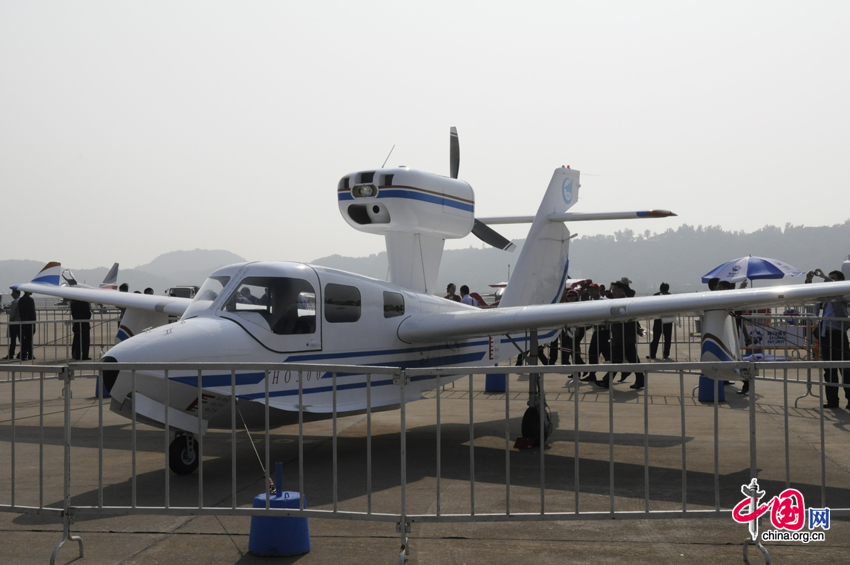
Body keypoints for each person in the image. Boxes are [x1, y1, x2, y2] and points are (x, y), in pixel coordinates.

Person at [806, 268, 850, 409]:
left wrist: (824, 277)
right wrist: (809, 281)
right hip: (826, 335)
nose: (830, 281)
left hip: (838, 334)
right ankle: (832, 400)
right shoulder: (826, 298)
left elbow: (835, 288)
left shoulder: (843, 294)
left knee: (845, 369)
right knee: (829, 370)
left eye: (833, 279)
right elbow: (810, 297)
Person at [596, 281, 645, 389]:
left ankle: (607, 381)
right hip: (621, 337)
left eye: (615, 290)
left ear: (622, 290)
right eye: (613, 290)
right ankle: (640, 380)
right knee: (629, 360)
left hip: (625, 336)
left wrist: (636, 328)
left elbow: (632, 317)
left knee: (622, 361)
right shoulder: (617, 301)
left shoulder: (626, 302)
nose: (613, 292)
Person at [648, 283, 673, 361]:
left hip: (658, 320)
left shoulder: (656, 296)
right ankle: (666, 354)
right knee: (667, 338)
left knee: (656, 338)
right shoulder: (671, 296)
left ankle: (652, 354)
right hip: (668, 319)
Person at [18, 291, 36, 361]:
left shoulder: (21, 300)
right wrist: (34, 322)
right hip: (29, 322)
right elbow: (32, 312)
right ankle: (25, 354)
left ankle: (27, 354)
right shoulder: (30, 300)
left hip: (23, 322)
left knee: (25, 339)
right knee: (29, 339)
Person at [3, 290, 21, 360]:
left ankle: (11, 354)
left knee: (13, 340)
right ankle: (22, 353)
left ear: (17, 293)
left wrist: (10, 321)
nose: (11, 294)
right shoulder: (20, 301)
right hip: (20, 323)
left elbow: (12, 313)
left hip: (14, 323)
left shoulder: (15, 302)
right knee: (21, 340)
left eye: (13, 293)